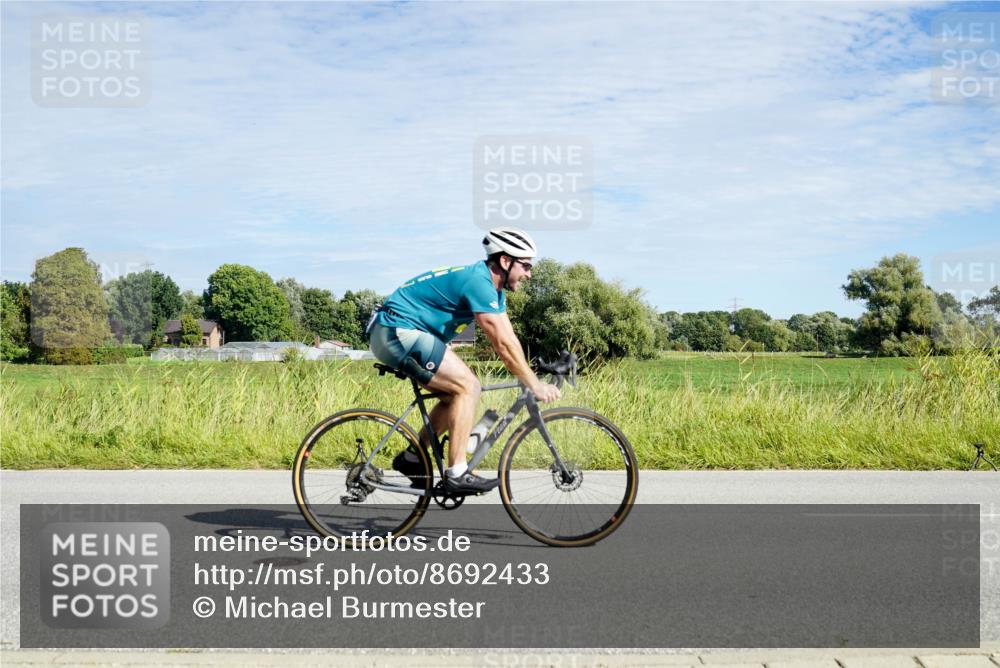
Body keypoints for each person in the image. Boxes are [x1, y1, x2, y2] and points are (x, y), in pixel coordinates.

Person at [368, 226, 562, 494]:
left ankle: (413, 458)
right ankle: (457, 472)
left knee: (454, 396)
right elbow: (502, 345)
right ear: (505, 261)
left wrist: (531, 372)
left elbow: (510, 337)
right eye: (526, 266)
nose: (529, 274)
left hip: (395, 331)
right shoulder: (479, 283)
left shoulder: (493, 290)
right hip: (396, 330)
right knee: (468, 386)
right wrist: (534, 385)